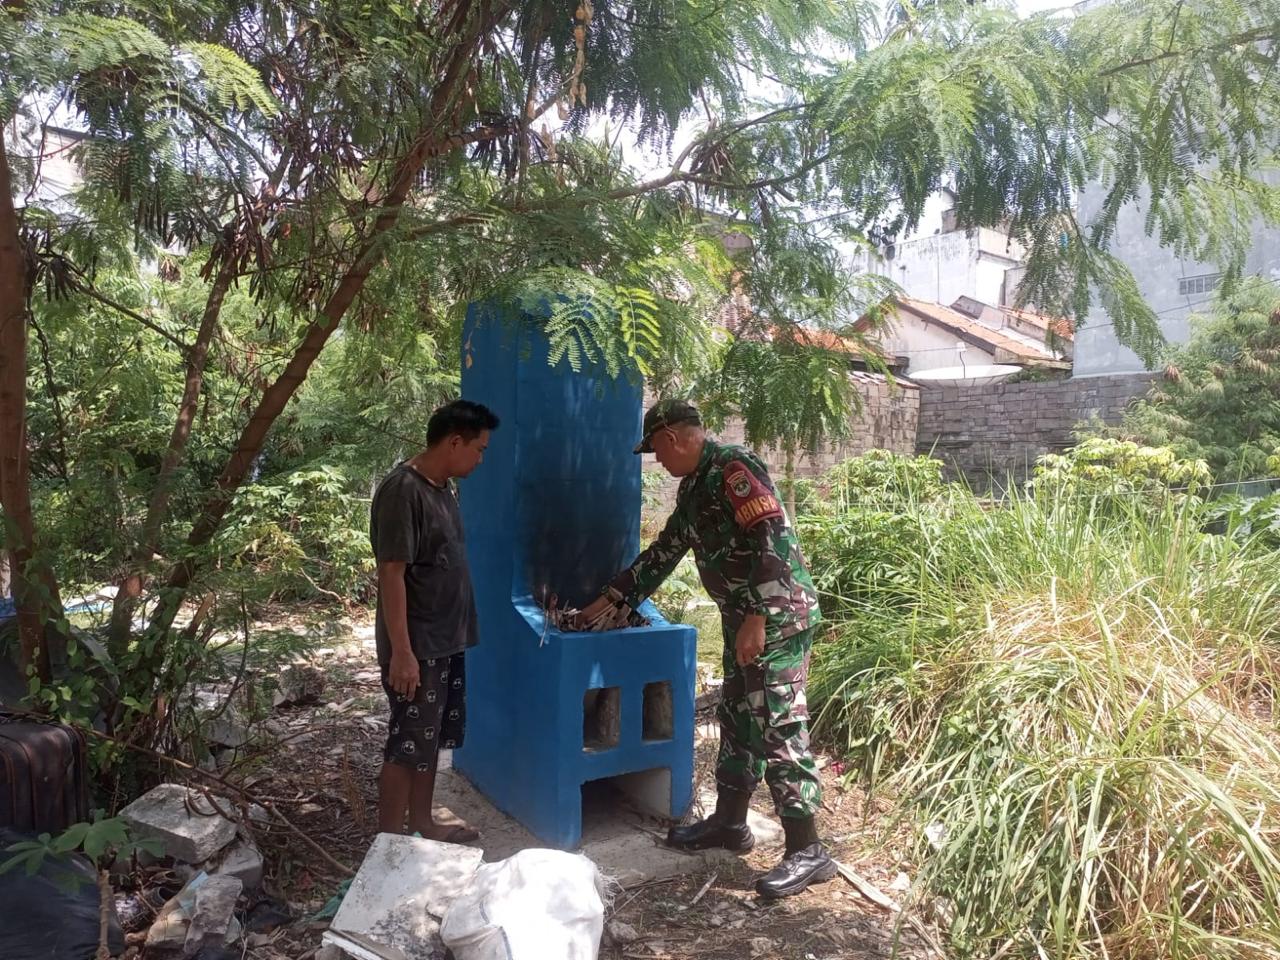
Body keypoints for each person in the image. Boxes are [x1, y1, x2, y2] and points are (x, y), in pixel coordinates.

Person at [578, 399, 836, 899]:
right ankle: (730, 823)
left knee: (778, 723)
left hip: (776, 618)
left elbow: (771, 536)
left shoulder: (733, 469)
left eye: (656, 450)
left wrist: (757, 616)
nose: (658, 460)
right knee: (737, 717)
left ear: (672, 437)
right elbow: (665, 551)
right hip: (744, 621)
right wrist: (611, 599)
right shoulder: (694, 487)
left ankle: (808, 849)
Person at [370, 399, 499, 842]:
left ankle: (422, 822)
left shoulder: (442, 488)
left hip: (446, 639)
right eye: (479, 449)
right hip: (417, 644)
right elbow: (391, 573)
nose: (481, 459)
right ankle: (389, 844)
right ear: (455, 442)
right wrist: (402, 653)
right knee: (407, 742)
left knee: (430, 738)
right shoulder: (402, 491)